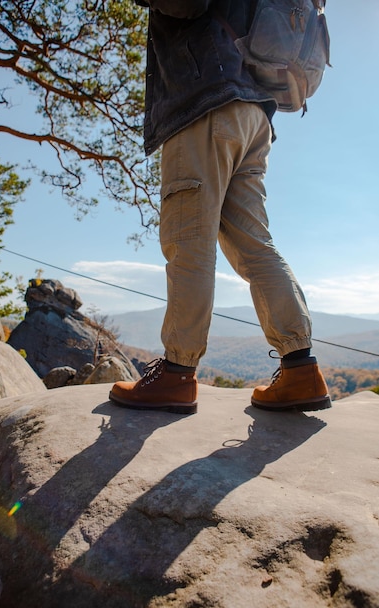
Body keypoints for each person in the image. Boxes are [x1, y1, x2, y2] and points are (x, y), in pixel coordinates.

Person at [109, 0, 331, 415]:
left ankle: (176, 373)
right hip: (255, 115)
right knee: (255, 245)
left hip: (205, 101)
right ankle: (301, 368)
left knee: (188, 239)